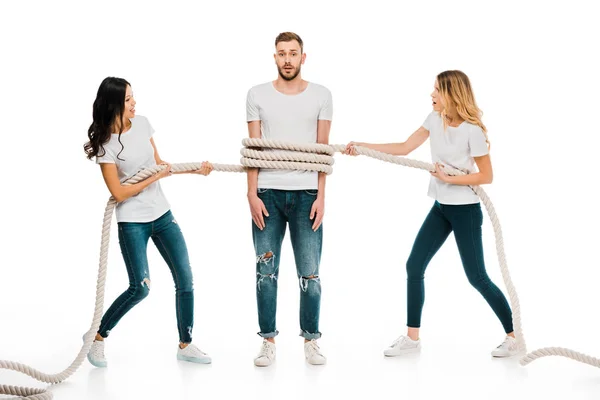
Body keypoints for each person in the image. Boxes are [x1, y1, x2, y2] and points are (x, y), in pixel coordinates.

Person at [345, 70, 517, 358]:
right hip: (441, 208)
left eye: (437, 90)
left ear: (452, 94)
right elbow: (403, 147)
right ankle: (412, 339)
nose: (432, 95)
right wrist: (363, 147)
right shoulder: (434, 120)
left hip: (465, 212)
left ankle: (513, 336)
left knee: (477, 277)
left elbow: (486, 176)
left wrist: (450, 179)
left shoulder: (472, 130)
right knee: (414, 266)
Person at [83, 77, 214, 366]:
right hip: (133, 222)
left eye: (133, 97)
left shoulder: (142, 124)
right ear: (115, 104)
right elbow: (118, 192)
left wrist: (195, 170)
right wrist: (155, 177)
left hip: (162, 215)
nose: (134, 103)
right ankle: (98, 336)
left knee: (185, 278)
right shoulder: (106, 145)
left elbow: (159, 163)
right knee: (140, 287)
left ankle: (186, 344)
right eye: (128, 99)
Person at [246, 32, 333, 366]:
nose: (287, 59)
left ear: (303, 57)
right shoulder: (256, 94)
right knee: (265, 272)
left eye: (293, 53)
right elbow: (253, 149)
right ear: (274, 57)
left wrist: (322, 196)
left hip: (306, 194)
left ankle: (311, 340)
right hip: (267, 193)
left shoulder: (322, 95)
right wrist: (251, 193)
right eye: (281, 53)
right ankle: (267, 340)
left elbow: (323, 152)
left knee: (310, 273)